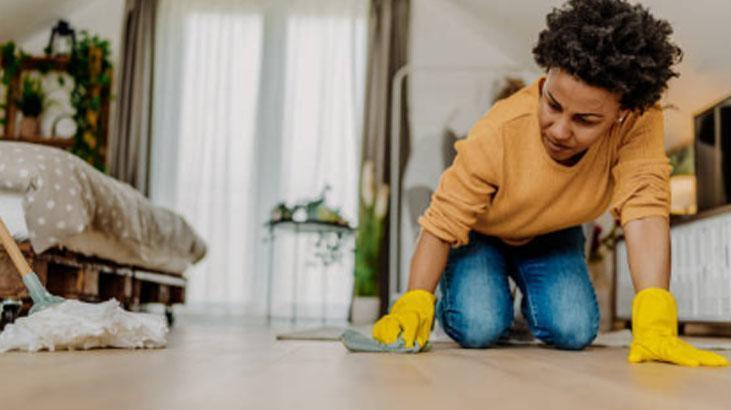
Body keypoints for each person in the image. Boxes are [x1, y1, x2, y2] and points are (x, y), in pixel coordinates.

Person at [372, 0, 728, 367]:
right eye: (553, 104)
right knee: (479, 327)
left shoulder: (639, 122)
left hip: (552, 232)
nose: (559, 130)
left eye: (585, 120)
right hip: (482, 233)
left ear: (623, 113)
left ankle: (525, 305)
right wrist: (414, 300)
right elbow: (441, 222)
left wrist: (655, 323)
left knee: (573, 331)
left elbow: (645, 209)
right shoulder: (499, 131)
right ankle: (480, 297)